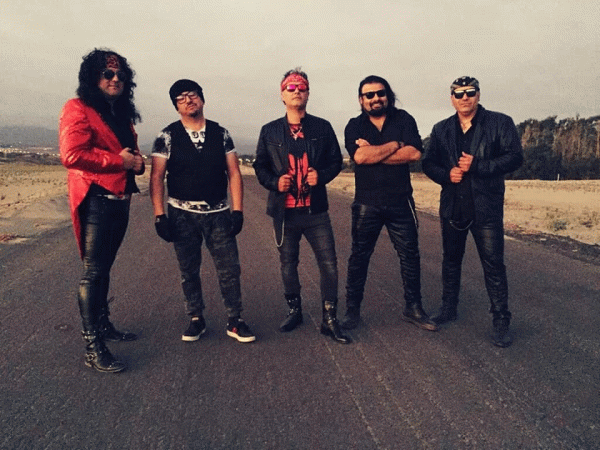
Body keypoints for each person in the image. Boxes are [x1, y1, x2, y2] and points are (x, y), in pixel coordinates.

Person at [59, 48, 145, 373]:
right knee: (93, 272)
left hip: (120, 200)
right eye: (108, 74)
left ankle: (104, 324)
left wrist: (136, 163)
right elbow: (71, 154)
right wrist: (118, 161)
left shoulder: (120, 113)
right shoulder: (77, 108)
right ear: (93, 77)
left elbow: (130, 154)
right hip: (95, 199)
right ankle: (93, 345)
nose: (115, 79)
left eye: (120, 75)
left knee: (105, 268)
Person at [150, 79, 255, 343]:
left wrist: (238, 211)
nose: (188, 100)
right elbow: (157, 177)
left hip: (218, 213)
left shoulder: (221, 133)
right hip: (181, 214)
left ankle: (235, 320)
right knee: (188, 270)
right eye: (181, 98)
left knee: (229, 269)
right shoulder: (166, 136)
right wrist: (159, 215)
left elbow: (233, 173)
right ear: (176, 106)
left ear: (202, 99)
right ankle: (196, 318)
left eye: (193, 94)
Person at [422, 76, 523, 348]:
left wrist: (478, 165)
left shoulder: (500, 122)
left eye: (470, 92)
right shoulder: (441, 129)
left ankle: (501, 319)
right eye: (459, 93)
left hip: (486, 207)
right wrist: (446, 175)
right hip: (453, 205)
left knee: (493, 263)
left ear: (478, 94)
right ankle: (448, 308)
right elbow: (428, 162)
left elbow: (515, 157)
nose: (464, 97)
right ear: (452, 99)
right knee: (451, 260)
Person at [253, 68, 351, 344]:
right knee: (288, 263)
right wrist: (275, 182)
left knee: (329, 264)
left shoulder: (322, 127)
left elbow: (335, 160)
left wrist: (322, 175)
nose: (296, 91)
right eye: (291, 87)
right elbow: (260, 166)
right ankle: (294, 311)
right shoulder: (270, 130)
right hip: (284, 212)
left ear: (308, 93)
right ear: (282, 94)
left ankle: (329, 318)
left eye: (302, 87)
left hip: (315, 211)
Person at [341, 75, 437, 332]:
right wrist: (395, 145)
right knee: (359, 256)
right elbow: (360, 158)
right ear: (361, 99)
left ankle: (413, 308)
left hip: (400, 201)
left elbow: (414, 153)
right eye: (369, 95)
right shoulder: (354, 125)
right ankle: (352, 311)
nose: (376, 98)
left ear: (388, 95)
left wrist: (374, 151)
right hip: (366, 203)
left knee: (410, 256)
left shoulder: (404, 119)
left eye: (380, 93)